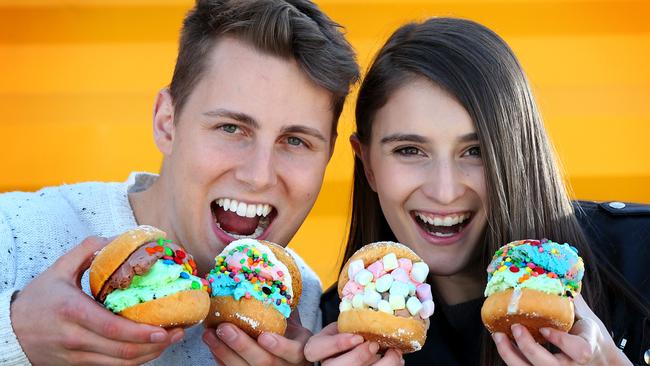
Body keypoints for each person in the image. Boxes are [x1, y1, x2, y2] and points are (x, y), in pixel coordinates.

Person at [0, 0, 359, 365]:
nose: (259, 176)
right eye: (231, 128)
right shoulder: (16, 232)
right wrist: (14, 337)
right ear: (166, 122)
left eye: (296, 141)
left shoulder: (305, 302)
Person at [307, 17, 649, 365]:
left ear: (519, 153)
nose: (444, 191)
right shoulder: (330, 331)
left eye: (476, 151)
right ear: (367, 165)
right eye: (409, 150)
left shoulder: (641, 255)